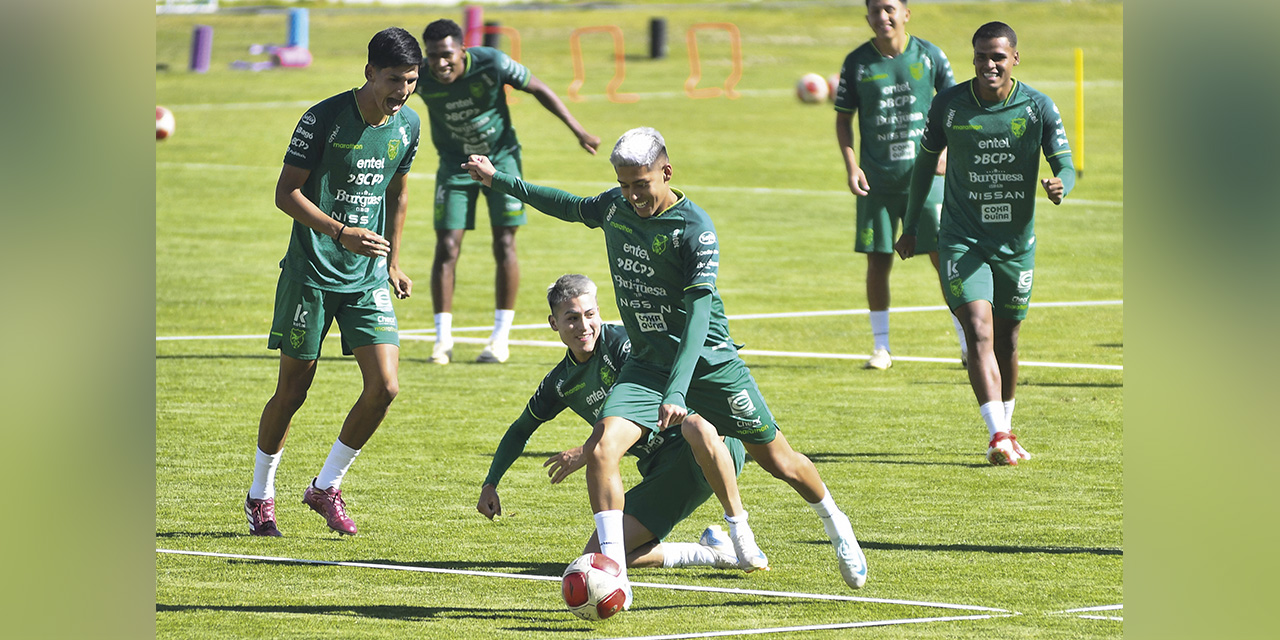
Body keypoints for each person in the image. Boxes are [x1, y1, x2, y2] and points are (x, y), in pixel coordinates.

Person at [463, 127, 868, 608]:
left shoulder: (695, 229)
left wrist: (679, 390)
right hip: (648, 364)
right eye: (624, 183)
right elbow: (567, 204)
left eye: (642, 183)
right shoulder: (614, 207)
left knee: (779, 461)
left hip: (709, 365)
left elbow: (699, 317)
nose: (632, 195)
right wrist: (499, 179)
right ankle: (615, 569)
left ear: (666, 172)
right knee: (602, 449)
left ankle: (835, 525)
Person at [242, 28, 423, 537]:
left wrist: (392, 261)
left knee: (385, 387)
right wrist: (340, 232)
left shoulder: (408, 125)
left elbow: (398, 195)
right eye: (393, 80)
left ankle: (326, 486)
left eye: (411, 81)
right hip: (312, 274)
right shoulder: (322, 119)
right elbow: (285, 193)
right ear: (368, 72)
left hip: (366, 276)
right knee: (293, 390)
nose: (402, 91)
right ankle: (260, 495)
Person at [477, 274, 753, 570]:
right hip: (662, 473)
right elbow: (521, 430)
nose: (584, 327)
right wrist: (490, 482)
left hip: (703, 447)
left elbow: (641, 412)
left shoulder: (628, 347)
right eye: (571, 318)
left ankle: (740, 531)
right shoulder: (560, 381)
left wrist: (588, 451)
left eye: (590, 315)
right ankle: (710, 553)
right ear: (553, 323)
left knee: (697, 428)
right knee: (595, 559)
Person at [894, 21, 1075, 465]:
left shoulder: (1037, 107)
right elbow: (923, 166)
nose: (989, 64)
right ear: (972, 58)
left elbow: (1066, 165)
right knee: (978, 328)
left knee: (1008, 341)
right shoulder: (950, 105)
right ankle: (997, 434)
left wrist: (1060, 186)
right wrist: (912, 224)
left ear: (1015, 58)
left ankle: (1008, 429)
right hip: (962, 238)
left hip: (1016, 244)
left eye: (997, 56)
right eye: (981, 56)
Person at [414, 18, 601, 365]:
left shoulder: (491, 63)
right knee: (447, 245)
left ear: (462, 51)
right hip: (454, 164)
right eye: (433, 56)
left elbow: (539, 88)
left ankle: (499, 340)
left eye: (447, 55)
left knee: (504, 242)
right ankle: (442, 342)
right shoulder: (420, 75)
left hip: (500, 162)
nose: (440, 63)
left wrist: (579, 131)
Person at [835, 0, 967, 370]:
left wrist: (947, 152)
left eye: (890, 8)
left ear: (906, 13)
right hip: (876, 180)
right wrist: (851, 166)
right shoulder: (857, 62)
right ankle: (882, 348)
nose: (883, 17)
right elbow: (843, 120)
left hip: (925, 179)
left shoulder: (930, 56)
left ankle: (966, 342)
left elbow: (957, 107)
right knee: (879, 260)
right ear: (868, 18)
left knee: (944, 259)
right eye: (876, 11)